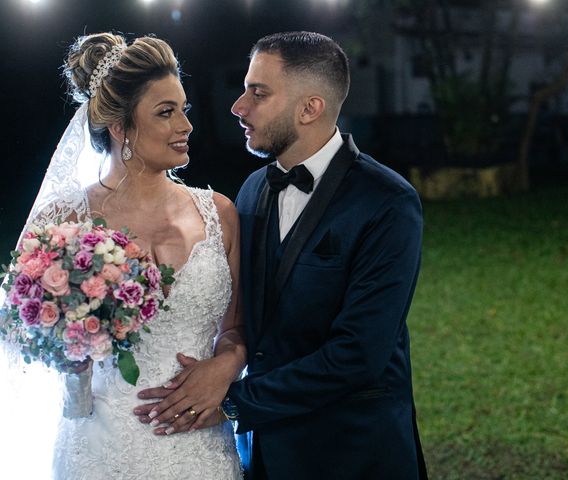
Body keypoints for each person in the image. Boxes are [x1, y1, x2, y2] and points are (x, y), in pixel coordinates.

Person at [136, 31, 428, 479]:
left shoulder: (387, 202)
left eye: (258, 92)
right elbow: (247, 311)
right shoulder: (252, 191)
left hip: (352, 452)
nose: (238, 106)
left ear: (309, 108)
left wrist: (233, 403)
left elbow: (358, 354)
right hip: (266, 455)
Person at [1, 33, 246, 479]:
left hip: (198, 445)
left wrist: (227, 365)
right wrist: (69, 353)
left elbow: (236, 328)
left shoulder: (221, 214)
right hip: (98, 447)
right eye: (165, 113)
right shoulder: (64, 221)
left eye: (184, 110)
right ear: (120, 127)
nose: (186, 126)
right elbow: (21, 333)